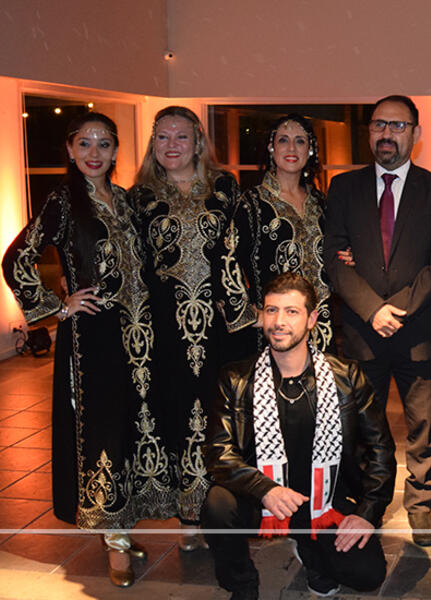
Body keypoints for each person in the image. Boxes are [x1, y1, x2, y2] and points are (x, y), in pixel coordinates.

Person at [2, 113, 167, 587]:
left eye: (104, 144)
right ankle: (114, 540)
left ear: (116, 151)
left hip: (140, 339)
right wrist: (59, 304)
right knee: (101, 432)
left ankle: (122, 523)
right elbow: (16, 259)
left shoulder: (125, 200)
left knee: (133, 429)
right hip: (92, 338)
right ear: (71, 150)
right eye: (84, 143)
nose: (94, 152)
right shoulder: (62, 202)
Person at [203, 273, 396, 600]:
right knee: (218, 506)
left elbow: (381, 450)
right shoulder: (235, 377)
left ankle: (312, 550)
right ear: (261, 316)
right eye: (271, 310)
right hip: (261, 498)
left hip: (326, 499)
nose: (279, 321)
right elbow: (218, 453)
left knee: (367, 574)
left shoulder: (346, 376)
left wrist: (367, 513)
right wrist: (263, 488)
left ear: (311, 320)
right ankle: (242, 584)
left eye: (291, 312)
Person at [324, 95, 431, 547]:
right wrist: (371, 309)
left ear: (416, 135)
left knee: (424, 426)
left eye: (398, 126)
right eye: (380, 124)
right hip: (363, 332)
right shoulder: (343, 188)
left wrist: (397, 309)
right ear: (369, 132)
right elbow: (334, 259)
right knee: (363, 426)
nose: (388, 133)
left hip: (417, 330)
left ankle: (420, 507)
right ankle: (369, 505)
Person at [130, 105, 241, 549]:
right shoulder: (139, 198)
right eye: (162, 137)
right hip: (165, 330)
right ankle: (190, 517)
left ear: (198, 141)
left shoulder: (225, 188)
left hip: (220, 327)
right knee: (178, 415)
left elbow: (246, 244)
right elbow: (125, 259)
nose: (171, 145)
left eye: (180, 136)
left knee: (222, 418)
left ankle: (224, 511)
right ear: (153, 144)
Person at [217, 113, 333, 359]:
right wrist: (252, 314)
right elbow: (225, 259)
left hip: (320, 328)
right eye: (283, 140)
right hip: (275, 331)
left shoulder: (320, 202)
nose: (292, 148)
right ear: (271, 147)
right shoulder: (253, 203)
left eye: (300, 141)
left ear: (311, 149)